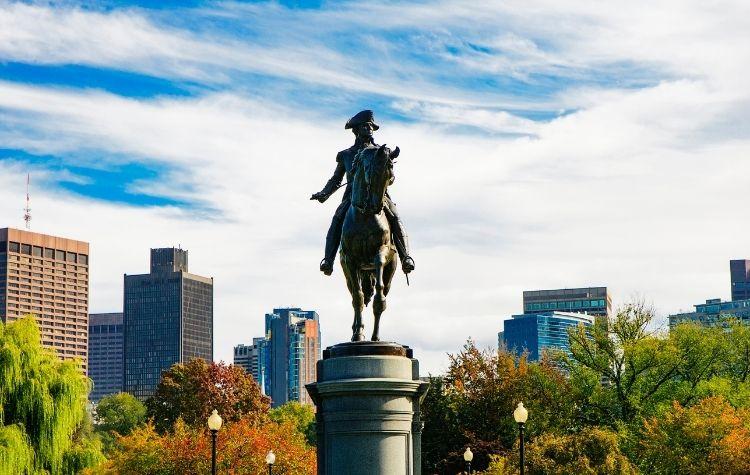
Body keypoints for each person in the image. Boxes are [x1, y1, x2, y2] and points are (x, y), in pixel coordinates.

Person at [311, 110, 415, 276]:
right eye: (366, 126)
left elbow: (391, 176)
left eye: (371, 126)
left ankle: (405, 257)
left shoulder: (381, 152)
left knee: (395, 217)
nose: (370, 129)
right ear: (357, 130)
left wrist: (387, 179)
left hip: (378, 195)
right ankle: (328, 260)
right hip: (352, 196)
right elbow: (336, 179)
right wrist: (324, 193)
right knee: (337, 220)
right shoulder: (346, 154)